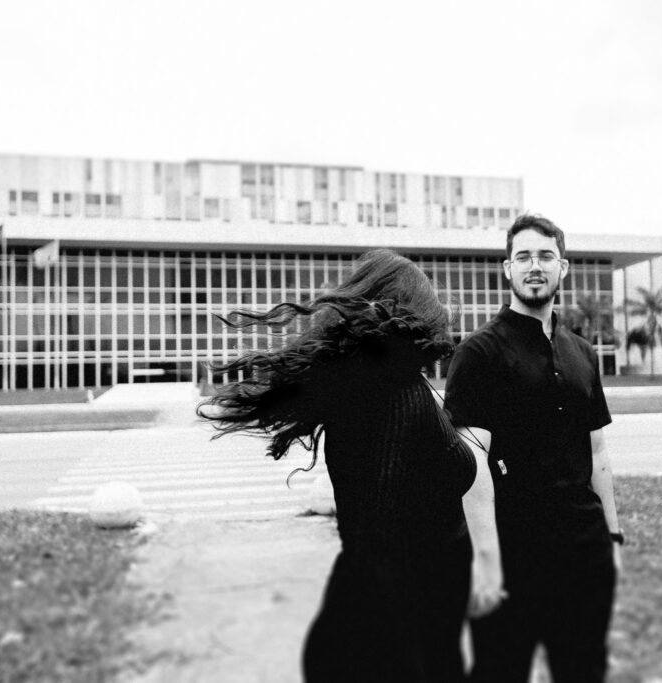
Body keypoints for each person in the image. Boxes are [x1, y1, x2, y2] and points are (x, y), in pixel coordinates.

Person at [200, 249, 491, 682]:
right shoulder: (397, 394)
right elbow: (379, 544)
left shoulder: (372, 386)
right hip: (397, 631)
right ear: (415, 311)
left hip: (411, 619)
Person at [444, 215, 623, 682]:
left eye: (545, 256)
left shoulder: (582, 353)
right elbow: (469, 463)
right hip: (513, 556)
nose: (534, 266)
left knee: (583, 671)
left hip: (584, 552)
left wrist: (612, 538)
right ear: (508, 269)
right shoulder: (478, 353)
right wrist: (486, 562)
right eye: (523, 257)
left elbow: (598, 453)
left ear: (563, 267)